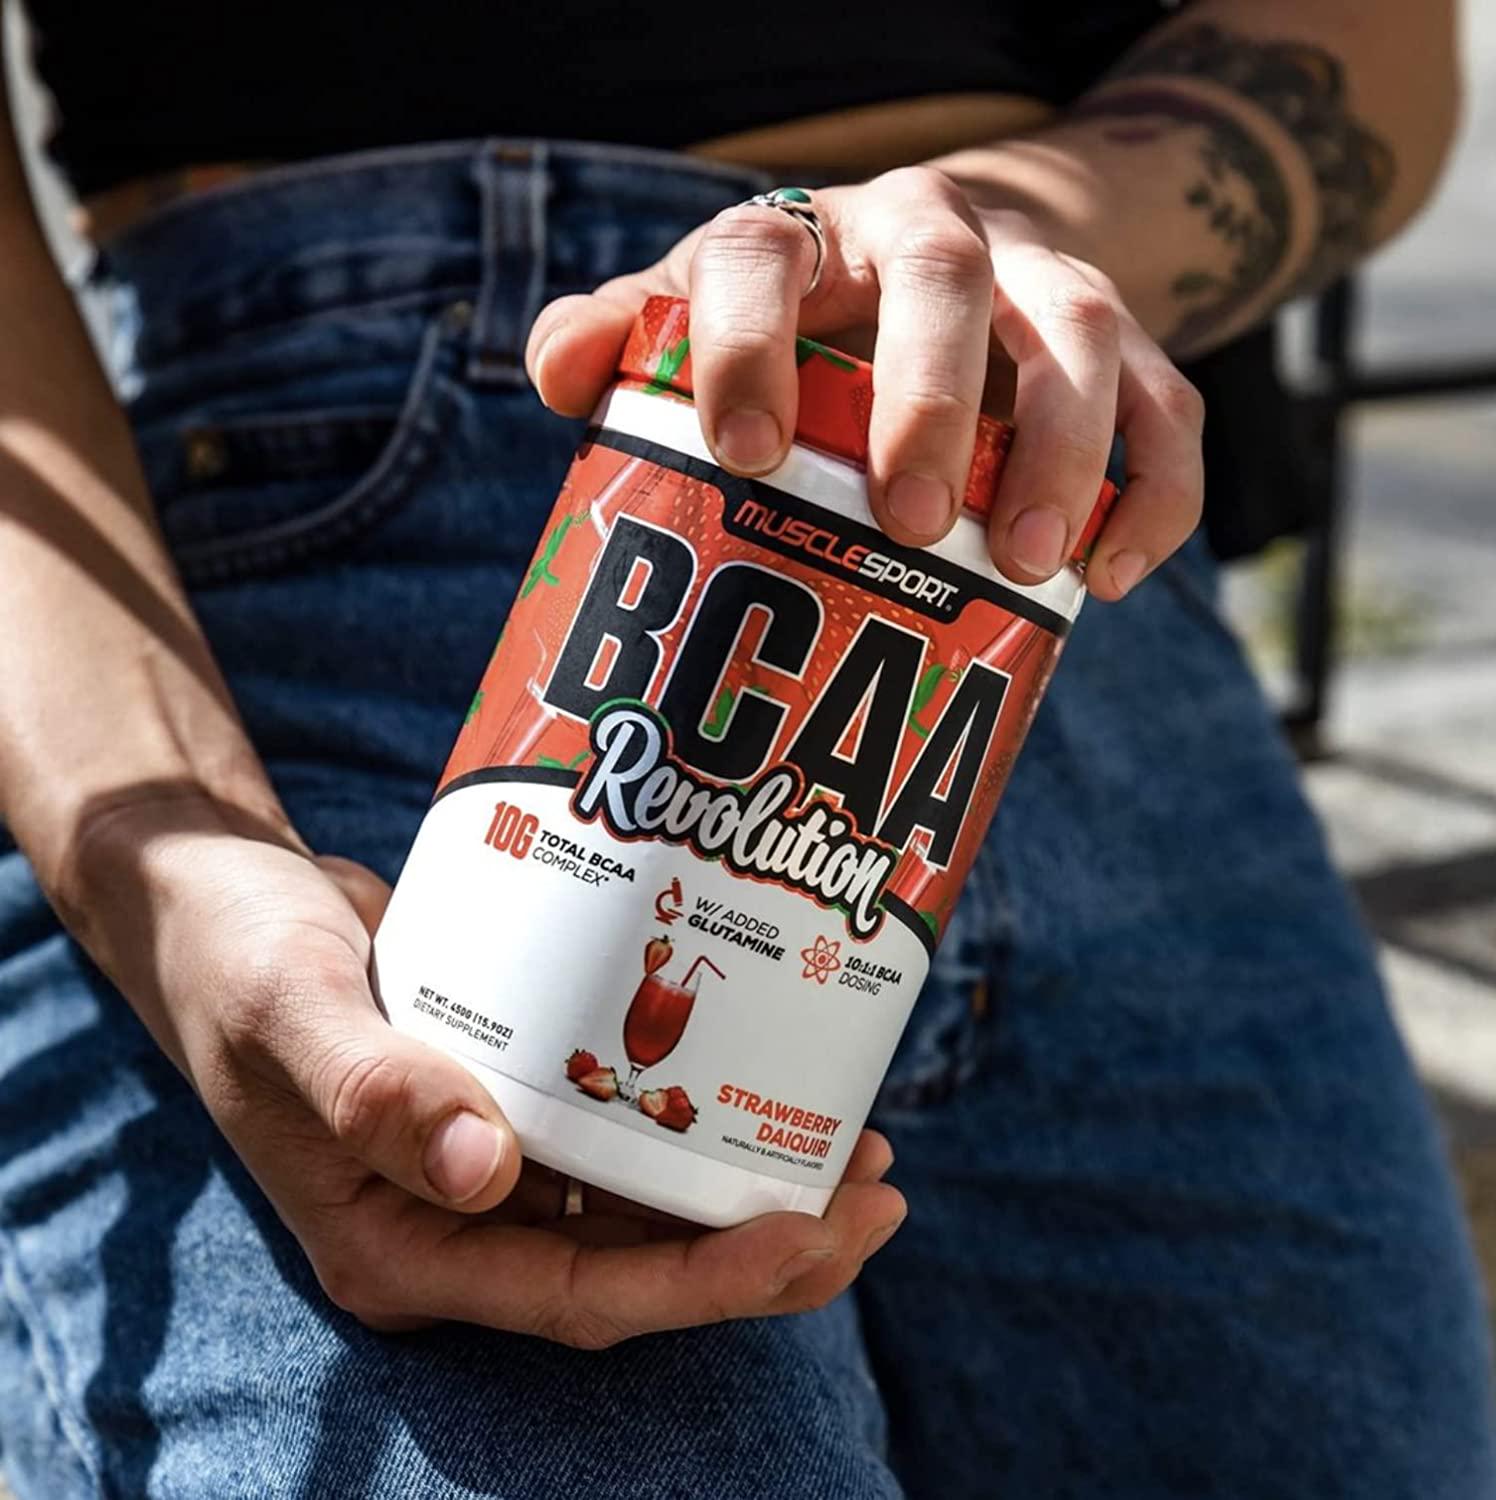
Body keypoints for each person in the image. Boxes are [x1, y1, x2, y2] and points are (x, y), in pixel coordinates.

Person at [0, 1, 1490, 1495]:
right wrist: (155, 852)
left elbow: (1371, 59)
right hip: (285, 520)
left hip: (1035, 525)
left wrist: (990, 249)